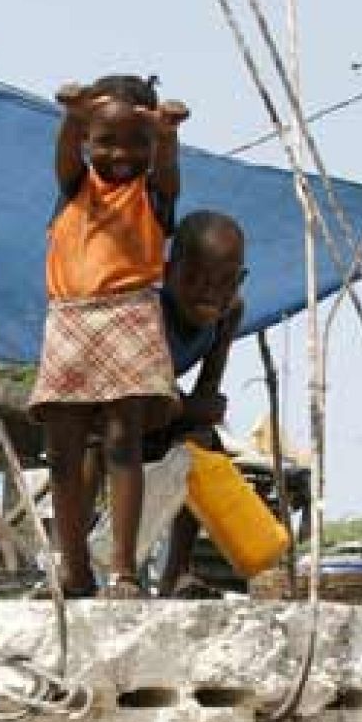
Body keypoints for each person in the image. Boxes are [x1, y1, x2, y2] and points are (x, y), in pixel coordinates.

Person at [28, 74, 189, 599]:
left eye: (134, 142)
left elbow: (166, 171)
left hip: (129, 315)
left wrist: (162, 132)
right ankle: (73, 567)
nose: (120, 154)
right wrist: (75, 115)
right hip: (71, 320)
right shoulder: (76, 185)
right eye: (105, 140)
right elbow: (67, 154)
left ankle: (122, 569)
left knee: (123, 441)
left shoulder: (153, 194)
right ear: (85, 142)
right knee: (63, 450)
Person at [148, 211, 246, 598]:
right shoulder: (150, 310)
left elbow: (207, 394)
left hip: (167, 408)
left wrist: (192, 410)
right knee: (95, 443)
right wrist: (190, 408)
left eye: (221, 283)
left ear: (237, 282)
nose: (207, 292)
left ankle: (178, 570)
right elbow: (157, 397)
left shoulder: (229, 313)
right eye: (194, 279)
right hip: (117, 409)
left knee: (202, 445)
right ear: (168, 271)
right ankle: (85, 566)